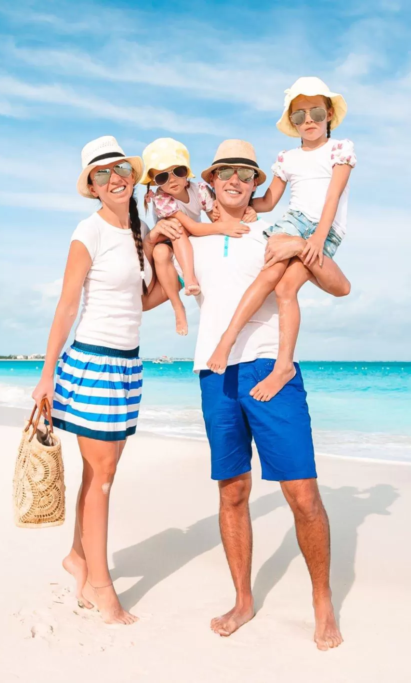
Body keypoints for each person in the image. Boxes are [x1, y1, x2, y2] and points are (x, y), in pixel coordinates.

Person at [147, 139, 351, 650]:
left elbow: (339, 284)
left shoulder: (271, 228)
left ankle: (322, 603)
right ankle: (243, 599)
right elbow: (153, 291)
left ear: (258, 183)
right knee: (232, 491)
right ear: (209, 182)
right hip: (213, 374)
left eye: (245, 173)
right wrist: (156, 236)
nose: (235, 180)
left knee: (301, 493)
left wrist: (302, 248)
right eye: (225, 173)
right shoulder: (191, 231)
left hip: (268, 367)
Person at [30, 135, 173, 626]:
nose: (116, 179)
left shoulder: (138, 230)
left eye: (121, 170)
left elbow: (144, 301)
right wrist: (47, 374)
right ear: (91, 186)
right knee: (105, 478)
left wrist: (167, 265)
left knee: (98, 475)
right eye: (103, 173)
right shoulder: (86, 232)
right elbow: (67, 306)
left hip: (128, 366)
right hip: (92, 363)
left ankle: (77, 557)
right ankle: (99, 585)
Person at [205, 77, 355, 402]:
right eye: (299, 116)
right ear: (292, 122)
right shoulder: (287, 157)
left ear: (328, 113)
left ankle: (284, 365)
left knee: (287, 289)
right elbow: (269, 202)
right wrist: (242, 207)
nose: (309, 120)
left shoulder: (340, 149)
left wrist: (315, 238)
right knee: (270, 278)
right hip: (292, 222)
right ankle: (228, 338)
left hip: (324, 228)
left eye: (315, 111)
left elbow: (333, 196)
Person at [141, 137, 256, 336]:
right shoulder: (162, 199)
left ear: (187, 171)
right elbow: (193, 227)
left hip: (190, 236)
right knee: (168, 240)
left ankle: (186, 286)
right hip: (170, 235)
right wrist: (224, 227)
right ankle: (181, 300)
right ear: (154, 182)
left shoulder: (200, 189)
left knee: (167, 246)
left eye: (178, 172)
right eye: (162, 177)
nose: (172, 180)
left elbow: (216, 216)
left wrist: (246, 213)